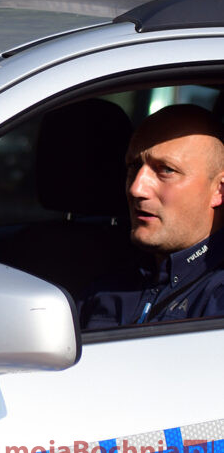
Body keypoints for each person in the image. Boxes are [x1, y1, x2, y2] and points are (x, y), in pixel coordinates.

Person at [81, 104, 224, 328]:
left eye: (166, 170)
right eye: (134, 166)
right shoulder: (105, 280)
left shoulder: (216, 298)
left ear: (219, 190)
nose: (136, 188)